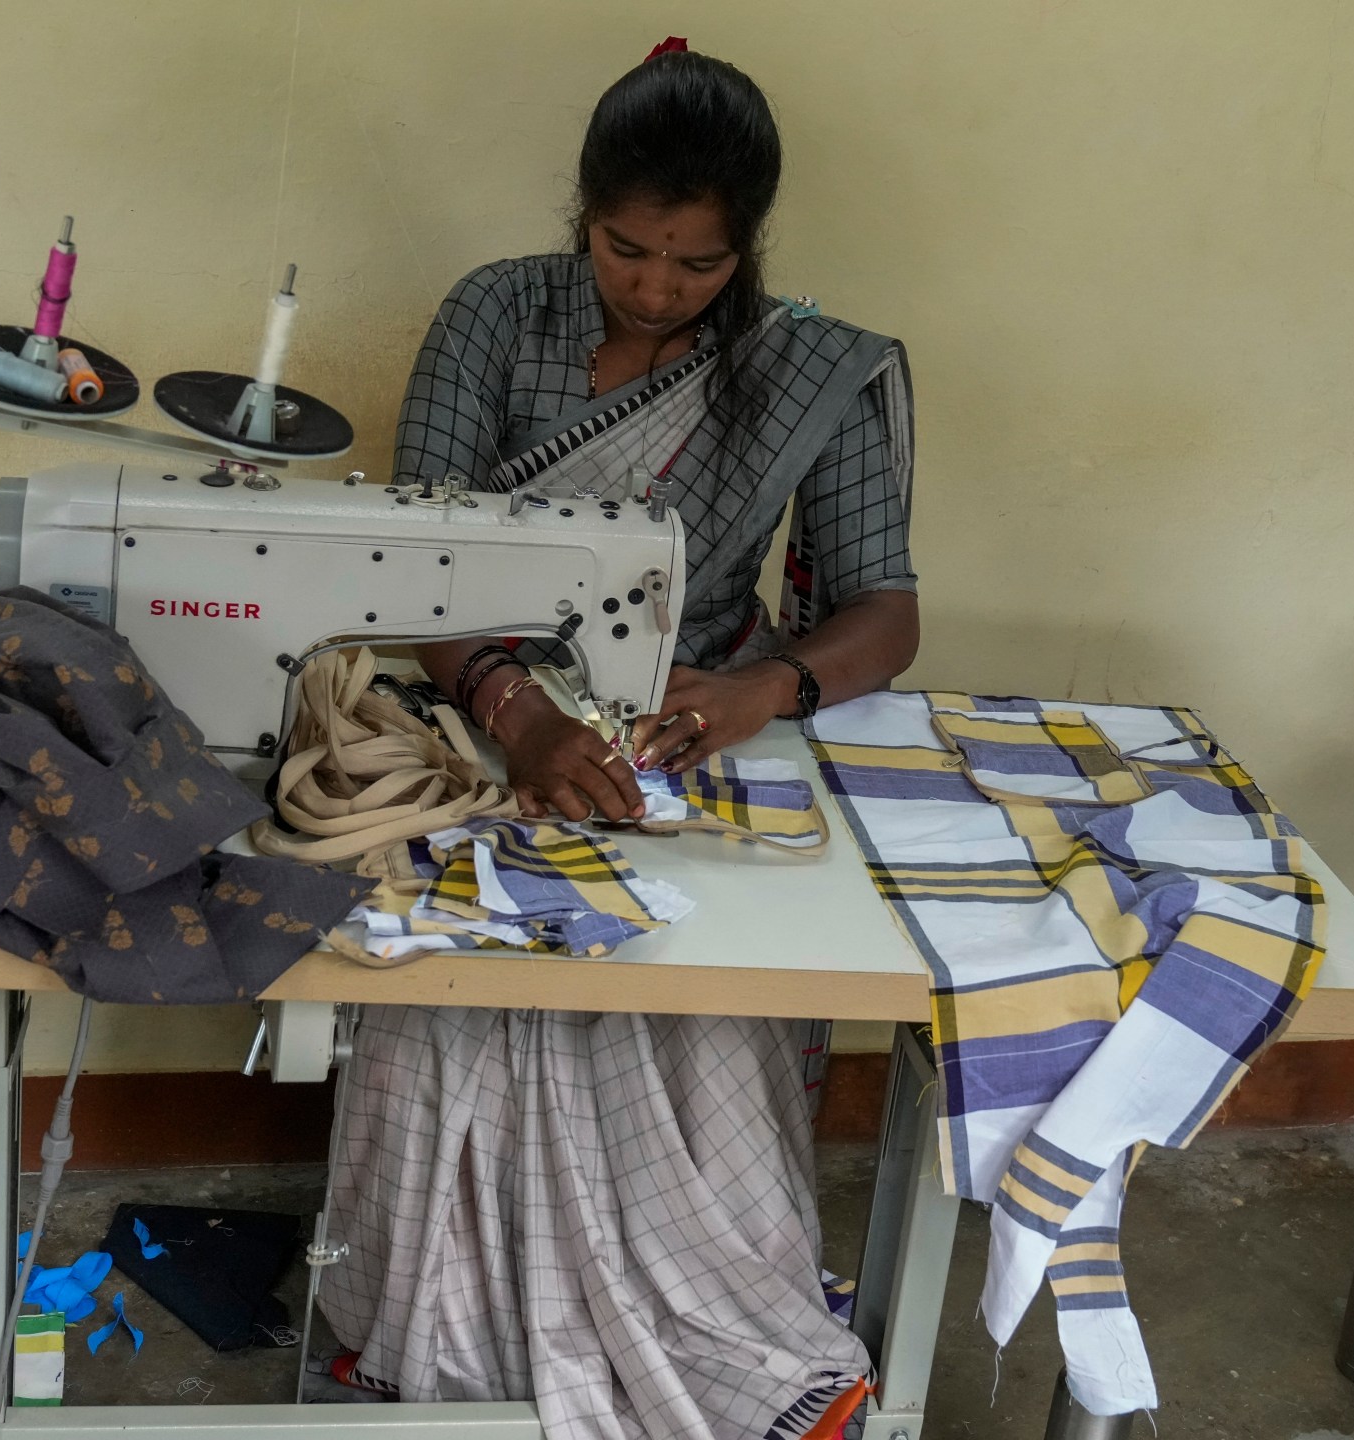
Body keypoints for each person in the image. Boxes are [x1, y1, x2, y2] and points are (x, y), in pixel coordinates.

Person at [317, 40, 919, 1440]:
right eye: (627, 249)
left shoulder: (799, 372)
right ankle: (441, 1322)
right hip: (481, 707)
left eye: (696, 266)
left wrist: (760, 690)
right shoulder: (495, 318)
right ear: (579, 213)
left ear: (748, 249)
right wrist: (513, 711)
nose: (654, 288)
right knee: (462, 984)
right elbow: (418, 560)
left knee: (692, 975)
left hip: (686, 719)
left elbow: (882, 613)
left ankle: (701, 1306)